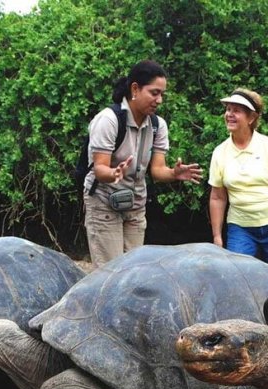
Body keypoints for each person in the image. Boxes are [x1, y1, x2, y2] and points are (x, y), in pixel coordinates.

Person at [83, 60, 203, 267]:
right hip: (103, 203)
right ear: (135, 89)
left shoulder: (157, 125)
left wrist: (174, 174)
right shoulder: (109, 120)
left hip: (135, 204)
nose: (159, 100)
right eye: (154, 93)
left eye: (162, 94)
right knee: (109, 273)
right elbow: (100, 168)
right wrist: (113, 173)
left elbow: (157, 170)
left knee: (135, 271)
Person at [208, 89, 268, 269]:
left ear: (251, 118)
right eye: (228, 109)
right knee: (237, 273)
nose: (229, 115)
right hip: (240, 227)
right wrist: (217, 236)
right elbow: (217, 197)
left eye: (236, 111)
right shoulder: (220, 152)